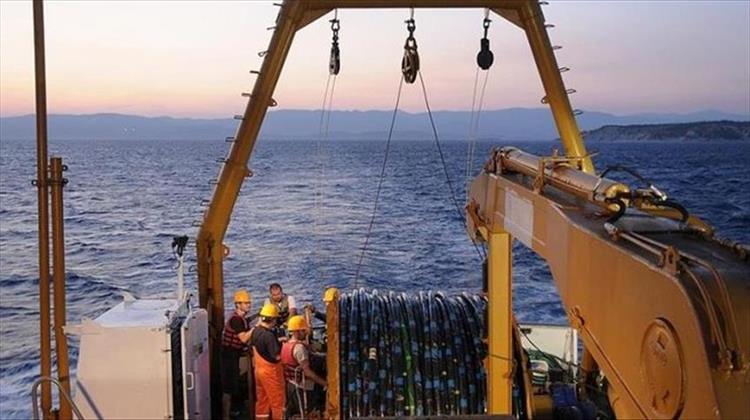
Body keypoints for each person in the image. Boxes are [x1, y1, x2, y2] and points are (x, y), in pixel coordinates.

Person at [281, 315, 327, 417]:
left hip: (290, 385)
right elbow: (307, 372)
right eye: (303, 330)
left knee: (297, 412)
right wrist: (324, 383)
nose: (305, 332)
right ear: (297, 331)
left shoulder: (286, 345)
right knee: (308, 413)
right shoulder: (299, 348)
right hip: (303, 387)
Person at [221, 289, 253, 420]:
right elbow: (244, 338)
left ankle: (232, 411)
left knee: (234, 384)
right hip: (229, 355)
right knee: (228, 388)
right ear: (238, 304)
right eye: (245, 303)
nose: (248, 305)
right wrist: (256, 328)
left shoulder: (242, 320)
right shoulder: (236, 320)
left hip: (235, 354)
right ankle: (225, 416)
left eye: (249, 303)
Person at [250, 303, 286, 419]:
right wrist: (283, 346)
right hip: (270, 373)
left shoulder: (256, 331)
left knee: (262, 401)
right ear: (273, 319)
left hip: (258, 371)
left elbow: (260, 348)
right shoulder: (269, 336)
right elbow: (276, 356)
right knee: (278, 403)